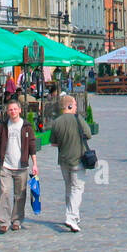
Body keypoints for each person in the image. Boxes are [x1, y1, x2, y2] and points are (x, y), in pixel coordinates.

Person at [0, 100, 38, 234]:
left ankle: (17, 220)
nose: (12, 111)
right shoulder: (4, 126)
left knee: (20, 195)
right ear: (7, 111)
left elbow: (32, 146)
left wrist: (34, 164)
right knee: (4, 193)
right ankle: (3, 221)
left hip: (21, 165)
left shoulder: (26, 126)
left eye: (14, 109)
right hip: (6, 165)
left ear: (19, 110)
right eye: (10, 109)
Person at [49, 95, 89, 233]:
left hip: (63, 159)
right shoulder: (78, 119)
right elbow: (88, 134)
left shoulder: (56, 122)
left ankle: (74, 214)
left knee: (69, 187)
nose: (76, 107)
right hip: (78, 158)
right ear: (70, 106)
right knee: (77, 188)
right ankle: (71, 217)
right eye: (75, 105)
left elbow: (53, 142)